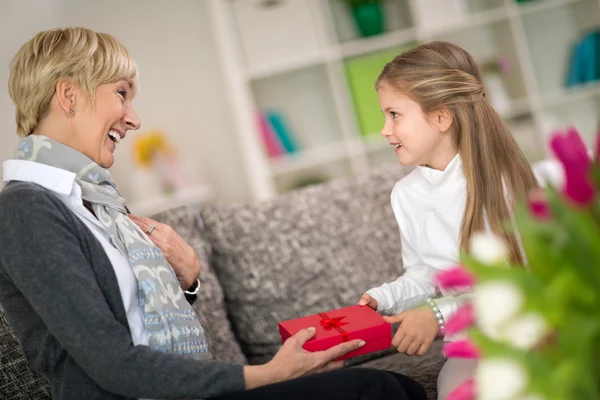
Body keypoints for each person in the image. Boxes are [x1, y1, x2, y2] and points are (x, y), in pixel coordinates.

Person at [0, 27, 427, 400]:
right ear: (68, 95)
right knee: (377, 391)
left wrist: (187, 280)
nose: (133, 119)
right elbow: (111, 361)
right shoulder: (27, 208)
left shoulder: (93, 199)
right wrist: (270, 373)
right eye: (121, 94)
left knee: (397, 386)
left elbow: (139, 319)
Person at [357, 41, 539, 399]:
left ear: (441, 117)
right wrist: (383, 298)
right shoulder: (405, 195)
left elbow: (518, 288)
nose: (384, 130)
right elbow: (425, 274)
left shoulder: (502, 184)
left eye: (394, 114)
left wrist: (438, 316)